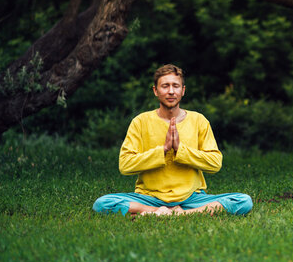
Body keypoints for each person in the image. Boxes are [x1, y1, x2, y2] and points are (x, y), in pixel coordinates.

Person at [93, 64, 252, 216]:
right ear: (155, 91)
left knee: (243, 201)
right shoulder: (140, 122)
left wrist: (179, 150)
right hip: (150, 197)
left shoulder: (199, 120)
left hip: (191, 198)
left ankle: (179, 214)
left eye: (175, 86)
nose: (171, 91)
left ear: (183, 91)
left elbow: (215, 163)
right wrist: (163, 150)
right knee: (102, 204)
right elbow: (125, 165)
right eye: (165, 86)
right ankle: (156, 211)